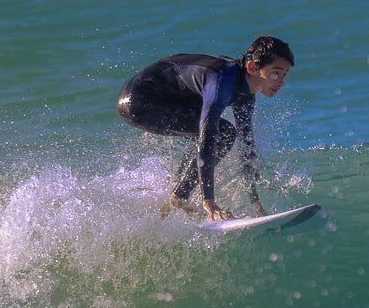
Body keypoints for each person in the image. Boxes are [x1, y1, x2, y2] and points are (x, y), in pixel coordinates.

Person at [116, 35, 294, 221]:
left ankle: (176, 192)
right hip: (138, 99)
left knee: (221, 137)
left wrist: (257, 208)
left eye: (284, 75)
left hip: (171, 97)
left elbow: (246, 151)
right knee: (222, 134)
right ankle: (179, 199)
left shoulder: (246, 94)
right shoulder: (222, 81)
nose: (281, 82)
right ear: (252, 68)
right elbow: (209, 134)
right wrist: (209, 200)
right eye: (275, 73)